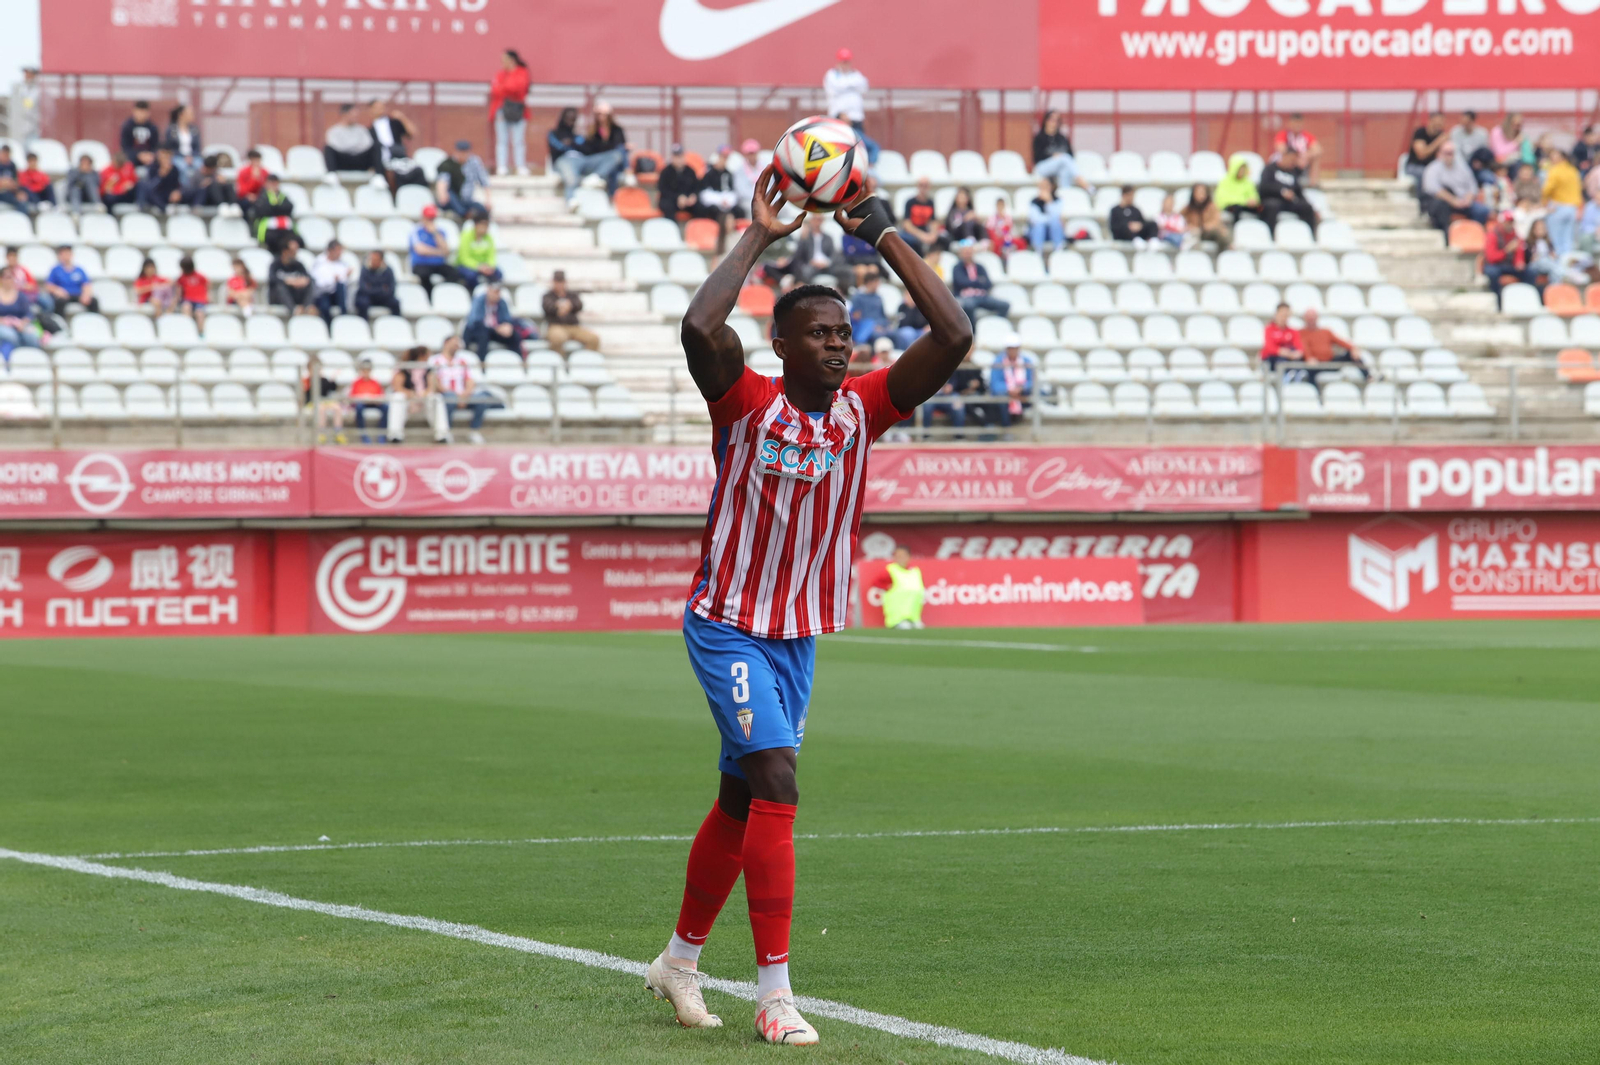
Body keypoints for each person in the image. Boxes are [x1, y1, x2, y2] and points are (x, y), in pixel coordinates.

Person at [648, 165, 970, 1046]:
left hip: (796, 637)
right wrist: (760, 232)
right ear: (781, 345)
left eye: (844, 333)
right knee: (779, 779)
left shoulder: (864, 411)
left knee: (740, 799)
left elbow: (954, 332)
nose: (838, 346)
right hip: (727, 623)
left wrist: (883, 232)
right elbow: (698, 326)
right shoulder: (744, 402)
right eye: (819, 334)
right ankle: (776, 993)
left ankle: (678, 960)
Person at [427, 335, 498, 444]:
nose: (457, 345)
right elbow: (434, 381)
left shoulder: (462, 361)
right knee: (449, 398)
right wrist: (454, 395)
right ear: (446, 343)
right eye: (454, 342)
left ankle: (474, 430)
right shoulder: (435, 360)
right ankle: (446, 431)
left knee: (482, 398)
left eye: (458, 343)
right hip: (446, 394)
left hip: (463, 395)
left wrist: (464, 395)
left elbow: (470, 380)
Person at [557, 102, 628, 203]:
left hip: (612, 161)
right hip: (596, 160)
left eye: (604, 114)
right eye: (598, 114)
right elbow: (590, 149)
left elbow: (618, 146)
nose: (601, 117)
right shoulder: (594, 131)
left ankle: (610, 190)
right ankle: (574, 198)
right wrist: (572, 144)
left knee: (618, 154)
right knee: (613, 162)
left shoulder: (617, 130)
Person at [822, 48, 879, 164]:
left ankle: (866, 168)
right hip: (840, 119)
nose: (845, 64)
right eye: (843, 61)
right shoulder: (832, 75)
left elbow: (864, 86)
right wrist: (842, 114)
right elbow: (834, 91)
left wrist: (845, 86)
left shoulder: (856, 75)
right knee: (841, 148)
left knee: (862, 148)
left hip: (856, 120)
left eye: (847, 61)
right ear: (838, 61)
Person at [1421, 142, 1487, 232]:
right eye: (1446, 153)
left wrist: (1468, 199)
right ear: (1439, 153)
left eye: (1451, 153)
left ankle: (1474, 234)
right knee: (1440, 207)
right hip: (1446, 203)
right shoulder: (1432, 168)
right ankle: (1446, 235)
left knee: (1482, 211)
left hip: (1464, 201)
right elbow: (1433, 189)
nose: (1449, 156)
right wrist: (1453, 201)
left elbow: (1472, 186)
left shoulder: (1462, 167)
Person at [489, 49, 532, 176]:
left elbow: (518, 88)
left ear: (512, 60)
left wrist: (504, 87)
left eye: (505, 60)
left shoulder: (522, 72)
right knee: (502, 139)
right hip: (501, 109)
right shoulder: (500, 74)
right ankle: (502, 166)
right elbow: (494, 90)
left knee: (518, 140)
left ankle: (520, 166)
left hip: (518, 110)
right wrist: (506, 88)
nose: (502, 63)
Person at [1298, 308, 1370, 382]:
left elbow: (1340, 341)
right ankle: (1313, 389)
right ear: (1305, 319)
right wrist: (1309, 358)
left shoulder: (1326, 332)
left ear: (1317, 318)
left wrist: (1353, 348)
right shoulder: (1301, 333)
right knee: (1309, 370)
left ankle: (1368, 377)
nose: (1311, 320)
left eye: (1313, 317)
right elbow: (1304, 346)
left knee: (1351, 354)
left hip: (1330, 361)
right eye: (1309, 317)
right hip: (1316, 364)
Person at [1258, 149, 1319, 235]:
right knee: (1272, 206)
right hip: (1272, 200)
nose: (1293, 163)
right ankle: (1270, 235)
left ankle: (1310, 235)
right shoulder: (1270, 169)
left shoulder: (1293, 172)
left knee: (1306, 207)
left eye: (1294, 161)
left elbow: (1299, 192)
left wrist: (1312, 208)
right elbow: (1264, 187)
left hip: (1288, 202)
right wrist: (1281, 192)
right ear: (1284, 157)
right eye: (1291, 160)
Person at [765, 214, 838, 286]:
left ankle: (796, 283)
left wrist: (826, 263)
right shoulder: (806, 237)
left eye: (819, 219)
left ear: (822, 221)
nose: (816, 222)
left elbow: (833, 255)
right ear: (811, 221)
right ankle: (788, 281)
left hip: (824, 265)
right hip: (808, 265)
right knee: (800, 267)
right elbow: (798, 254)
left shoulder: (828, 238)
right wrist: (803, 237)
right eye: (815, 219)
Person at [949, 239, 1008, 324]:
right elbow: (961, 282)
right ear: (961, 253)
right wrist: (978, 281)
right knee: (968, 306)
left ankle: (994, 325)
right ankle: (972, 330)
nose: (968, 254)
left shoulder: (980, 267)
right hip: (965, 296)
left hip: (982, 296)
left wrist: (971, 282)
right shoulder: (957, 268)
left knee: (1004, 305)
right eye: (965, 252)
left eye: (969, 251)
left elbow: (988, 284)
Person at [1032, 110, 1092, 192]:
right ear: (1046, 121)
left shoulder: (1062, 138)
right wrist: (1053, 156)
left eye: (1057, 120)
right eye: (1051, 120)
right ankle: (1081, 181)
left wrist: (1059, 157)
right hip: (1042, 167)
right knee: (1064, 158)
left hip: (1060, 166)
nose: (1054, 123)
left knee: (1065, 169)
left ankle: (1065, 193)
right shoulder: (1039, 137)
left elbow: (1071, 155)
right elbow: (1037, 157)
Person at [542, 270, 601, 351]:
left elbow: (579, 305)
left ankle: (587, 358)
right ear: (553, 282)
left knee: (593, 339)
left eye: (561, 282)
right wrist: (558, 307)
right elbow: (547, 307)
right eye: (557, 282)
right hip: (556, 326)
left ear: (565, 282)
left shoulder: (572, 295)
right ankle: (558, 359)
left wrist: (570, 306)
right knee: (557, 339)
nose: (559, 285)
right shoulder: (548, 296)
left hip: (573, 327)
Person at [463, 280, 523, 358]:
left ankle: (517, 359)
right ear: (488, 291)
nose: (496, 295)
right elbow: (476, 321)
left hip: (495, 331)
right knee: (483, 334)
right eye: (494, 292)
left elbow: (507, 319)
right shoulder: (479, 301)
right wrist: (496, 328)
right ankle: (481, 361)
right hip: (478, 330)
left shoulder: (502, 302)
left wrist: (507, 327)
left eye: (498, 292)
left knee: (514, 335)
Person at [1482, 215, 1531, 308]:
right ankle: (1498, 301)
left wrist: (1519, 263)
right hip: (1495, 265)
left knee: (1530, 272)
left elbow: (1519, 255)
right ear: (1501, 223)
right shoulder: (1493, 235)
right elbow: (1491, 258)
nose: (1509, 224)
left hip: (1510, 265)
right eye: (1507, 222)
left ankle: (1526, 300)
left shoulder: (1516, 236)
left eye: (1511, 222)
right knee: (1492, 273)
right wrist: (1507, 250)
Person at [1542, 147, 1582, 258]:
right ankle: (1568, 263)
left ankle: (1560, 265)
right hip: (1572, 208)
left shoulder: (1555, 170)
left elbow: (1547, 189)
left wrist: (1544, 202)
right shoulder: (1573, 170)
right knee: (1568, 240)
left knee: (1556, 241)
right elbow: (1579, 189)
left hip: (1558, 206)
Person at [988, 336, 1036, 426]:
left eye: (1015, 348)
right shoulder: (998, 362)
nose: (1013, 351)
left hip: (1023, 392)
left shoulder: (1027, 361)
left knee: (1037, 393)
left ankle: (1031, 425)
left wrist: (1021, 388)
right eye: (1010, 348)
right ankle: (1006, 426)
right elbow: (995, 384)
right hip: (1006, 393)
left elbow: (1032, 381)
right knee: (1001, 397)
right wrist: (1010, 389)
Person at [435, 140, 490, 216]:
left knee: (482, 210)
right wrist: (442, 194)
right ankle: (464, 214)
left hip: (467, 199)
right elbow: (442, 180)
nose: (463, 155)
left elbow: (484, 181)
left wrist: (488, 200)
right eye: (461, 152)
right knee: (455, 203)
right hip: (453, 198)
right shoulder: (449, 163)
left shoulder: (474, 162)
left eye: (465, 153)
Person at [409, 205, 454, 294]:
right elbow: (420, 250)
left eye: (432, 218)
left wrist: (435, 233)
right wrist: (439, 252)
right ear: (423, 218)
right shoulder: (416, 231)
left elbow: (446, 251)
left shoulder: (440, 232)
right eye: (428, 218)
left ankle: (442, 293)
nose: (430, 221)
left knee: (453, 273)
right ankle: (429, 296)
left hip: (438, 264)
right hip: (421, 264)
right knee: (424, 275)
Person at [324, 105, 381, 173]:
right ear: (344, 114)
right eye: (352, 114)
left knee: (376, 146)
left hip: (360, 160)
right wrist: (353, 147)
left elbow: (367, 144)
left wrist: (352, 148)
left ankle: (378, 174)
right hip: (343, 161)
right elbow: (334, 146)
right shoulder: (334, 131)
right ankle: (331, 174)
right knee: (328, 149)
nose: (355, 117)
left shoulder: (362, 129)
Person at [879, 546, 925, 629]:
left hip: (913, 616)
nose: (900, 558)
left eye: (903, 555)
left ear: (909, 557)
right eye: (898, 556)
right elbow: (877, 582)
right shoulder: (891, 569)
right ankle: (899, 622)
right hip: (897, 618)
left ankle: (912, 620)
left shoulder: (915, 570)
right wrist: (887, 587)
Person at [0, 267, 41, 358]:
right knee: (10, 335)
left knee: (31, 336)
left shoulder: (21, 295)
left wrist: (23, 323)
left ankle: (34, 358)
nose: (9, 280)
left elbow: (28, 313)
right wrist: (3, 321)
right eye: (6, 277)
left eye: (11, 277)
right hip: (2, 325)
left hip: (19, 324)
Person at [1273, 113, 1323, 186]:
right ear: (1290, 123)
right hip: (1287, 161)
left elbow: (1318, 150)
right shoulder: (1283, 134)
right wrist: (1296, 158)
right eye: (1295, 123)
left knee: (1316, 158)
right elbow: (1282, 149)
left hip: (1302, 161)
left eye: (1299, 123)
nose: (1297, 126)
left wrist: (1305, 156)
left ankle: (1313, 184)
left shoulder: (1306, 136)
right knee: (1288, 158)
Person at [251, 173, 297, 253]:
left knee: (296, 240)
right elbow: (262, 211)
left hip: (283, 228)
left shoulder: (282, 196)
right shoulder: (262, 196)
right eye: (271, 183)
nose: (273, 185)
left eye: (275, 183)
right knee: (274, 240)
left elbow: (289, 207)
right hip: (268, 229)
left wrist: (274, 208)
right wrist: (278, 208)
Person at [1404, 113, 1448, 195]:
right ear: (1431, 121)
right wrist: (1438, 142)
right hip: (1415, 166)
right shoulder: (1420, 133)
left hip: (1432, 167)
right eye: (1438, 122)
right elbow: (1421, 154)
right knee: (1426, 174)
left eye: (1442, 122)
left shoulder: (1441, 135)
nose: (1440, 124)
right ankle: (1422, 199)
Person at [310, 239, 353, 323]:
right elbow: (319, 282)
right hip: (323, 293)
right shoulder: (320, 262)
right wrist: (333, 280)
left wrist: (343, 277)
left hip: (337, 294)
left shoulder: (342, 264)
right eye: (338, 250)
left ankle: (344, 315)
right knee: (324, 307)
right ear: (330, 250)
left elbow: (344, 280)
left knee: (341, 286)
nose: (340, 253)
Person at [269, 238, 316, 315]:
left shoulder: (298, 265)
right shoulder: (275, 265)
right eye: (292, 251)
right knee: (280, 287)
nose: (295, 253)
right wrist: (287, 281)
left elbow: (309, 278)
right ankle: (294, 310)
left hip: (295, 295)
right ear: (285, 251)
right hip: (280, 298)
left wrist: (302, 281)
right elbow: (272, 279)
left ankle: (306, 308)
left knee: (311, 284)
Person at [45, 246, 98, 313]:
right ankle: (60, 319)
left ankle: (94, 318)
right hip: (64, 295)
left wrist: (86, 295)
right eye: (64, 254)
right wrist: (58, 290)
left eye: (68, 253)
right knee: (59, 302)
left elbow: (86, 284)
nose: (66, 256)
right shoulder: (55, 270)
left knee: (93, 301)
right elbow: (49, 285)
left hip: (77, 295)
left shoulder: (79, 270)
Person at [348, 358, 388, 443]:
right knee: (359, 407)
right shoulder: (356, 383)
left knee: (386, 407)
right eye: (364, 370)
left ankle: (382, 433)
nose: (366, 372)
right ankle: (363, 434)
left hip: (374, 403)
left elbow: (381, 396)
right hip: (362, 404)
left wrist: (374, 399)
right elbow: (352, 397)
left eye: (368, 370)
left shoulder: (375, 382)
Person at [454, 214, 501, 287]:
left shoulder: (489, 238)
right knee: (471, 276)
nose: (485, 227)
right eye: (483, 224)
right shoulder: (466, 236)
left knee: (498, 274)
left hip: (484, 265)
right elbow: (464, 258)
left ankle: (490, 292)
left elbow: (491, 255)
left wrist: (489, 266)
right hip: (467, 265)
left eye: (487, 225)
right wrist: (478, 266)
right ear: (476, 225)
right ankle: (473, 291)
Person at [898, 176, 941, 255]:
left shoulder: (930, 202)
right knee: (912, 241)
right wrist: (922, 236)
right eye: (921, 185)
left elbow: (933, 221)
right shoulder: (910, 202)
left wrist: (933, 234)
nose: (923, 188)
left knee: (942, 239)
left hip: (925, 229)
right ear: (917, 186)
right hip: (912, 232)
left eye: (926, 185)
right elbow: (907, 224)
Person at [657, 143, 700, 220]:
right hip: (671, 200)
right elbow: (663, 189)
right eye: (676, 157)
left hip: (687, 200)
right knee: (667, 206)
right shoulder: (665, 172)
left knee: (700, 207)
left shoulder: (690, 171)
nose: (679, 160)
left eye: (681, 156)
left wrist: (692, 196)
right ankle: (672, 227)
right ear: (672, 157)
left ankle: (696, 226)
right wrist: (678, 197)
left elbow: (696, 187)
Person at [848, 268, 890, 344]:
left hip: (880, 327)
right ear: (870, 283)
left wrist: (883, 326)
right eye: (876, 282)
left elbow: (883, 316)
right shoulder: (858, 297)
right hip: (865, 328)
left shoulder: (878, 298)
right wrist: (873, 326)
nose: (878, 285)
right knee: (876, 335)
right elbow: (856, 317)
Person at [162, 105, 203, 181]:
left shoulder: (194, 129)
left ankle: (198, 187)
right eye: (189, 114)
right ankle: (184, 188)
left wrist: (191, 156)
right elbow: (169, 147)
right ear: (181, 115)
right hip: (177, 157)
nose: (192, 116)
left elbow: (197, 147)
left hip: (193, 157)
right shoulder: (172, 130)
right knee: (183, 169)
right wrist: (184, 157)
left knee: (200, 167)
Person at [1182, 183, 1231, 248]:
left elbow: (1216, 221)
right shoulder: (1188, 208)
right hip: (1194, 234)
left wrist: (1202, 228)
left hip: (1208, 232)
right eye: (1198, 192)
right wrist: (1189, 227)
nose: (1200, 195)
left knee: (1220, 234)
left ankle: (1227, 248)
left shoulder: (1212, 206)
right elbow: (1179, 218)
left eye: (1202, 192)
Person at [369, 99, 416, 165]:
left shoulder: (393, 123)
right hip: (380, 161)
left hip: (398, 157)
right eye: (377, 107)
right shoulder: (370, 130)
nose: (380, 110)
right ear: (371, 110)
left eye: (381, 107)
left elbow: (412, 133)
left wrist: (402, 118)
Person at [136, 148, 185, 212]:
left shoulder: (174, 169)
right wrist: (160, 176)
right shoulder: (153, 167)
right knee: (142, 186)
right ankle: (163, 208)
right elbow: (151, 187)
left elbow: (177, 184)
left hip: (169, 194)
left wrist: (177, 192)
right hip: (156, 194)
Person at [1261, 303, 1302, 376]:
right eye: (1282, 314)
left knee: (1298, 359)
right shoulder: (1269, 329)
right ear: (1276, 314)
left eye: (1286, 315)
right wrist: (1282, 351)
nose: (1284, 317)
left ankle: (1296, 376)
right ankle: (1287, 376)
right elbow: (1269, 347)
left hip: (1289, 358)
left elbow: (1299, 346)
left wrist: (1296, 353)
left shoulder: (1293, 331)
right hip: (1273, 360)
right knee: (1281, 359)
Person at [355, 250, 398, 318]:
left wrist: (371, 288)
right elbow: (363, 288)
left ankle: (396, 322)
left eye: (375, 259)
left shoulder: (388, 271)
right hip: (368, 297)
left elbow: (391, 289)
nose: (373, 261)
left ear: (381, 260)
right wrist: (382, 289)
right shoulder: (365, 269)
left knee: (395, 303)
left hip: (383, 298)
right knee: (362, 302)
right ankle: (363, 323)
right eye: (372, 259)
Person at [119, 101, 160, 172]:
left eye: (144, 112)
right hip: (132, 158)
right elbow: (125, 147)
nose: (141, 115)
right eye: (140, 112)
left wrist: (150, 155)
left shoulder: (153, 128)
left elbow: (156, 145)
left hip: (149, 158)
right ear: (134, 111)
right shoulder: (127, 126)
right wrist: (138, 155)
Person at [1027, 179, 1064, 251]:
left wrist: (1049, 202)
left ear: (1051, 187)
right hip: (1038, 232)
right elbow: (1035, 219)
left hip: (1052, 232)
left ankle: (1059, 249)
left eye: (1046, 186)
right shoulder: (1034, 202)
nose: (1044, 189)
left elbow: (1057, 217)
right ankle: (1037, 250)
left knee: (1055, 223)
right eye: (1041, 186)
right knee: (1039, 225)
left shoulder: (1057, 201)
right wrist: (1048, 219)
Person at [175, 256, 209, 330]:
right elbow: (179, 291)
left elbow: (207, 285)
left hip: (200, 300)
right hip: (187, 300)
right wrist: (176, 301)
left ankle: (201, 333)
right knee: (186, 308)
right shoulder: (182, 278)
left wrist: (207, 296)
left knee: (199, 313)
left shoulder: (200, 276)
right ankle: (188, 329)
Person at [9, 67, 40, 148]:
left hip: (32, 128)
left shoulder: (37, 90)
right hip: (19, 129)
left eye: (29, 74)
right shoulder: (20, 88)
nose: (26, 76)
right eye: (26, 74)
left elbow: (28, 106)